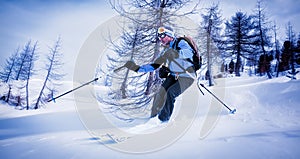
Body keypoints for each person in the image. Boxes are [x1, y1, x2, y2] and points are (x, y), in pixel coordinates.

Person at [124, 26, 195, 122]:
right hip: (174, 76)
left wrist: (176, 53)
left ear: (170, 35)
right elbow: (154, 65)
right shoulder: (166, 51)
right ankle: (153, 119)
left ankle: (163, 120)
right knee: (160, 93)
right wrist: (136, 68)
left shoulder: (180, 43)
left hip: (187, 76)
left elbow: (189, 53)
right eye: (159, 37)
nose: (160, 39)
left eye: (162, 35)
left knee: (170, 93)